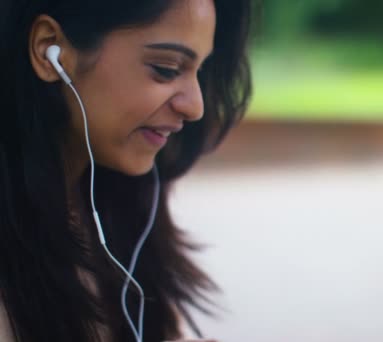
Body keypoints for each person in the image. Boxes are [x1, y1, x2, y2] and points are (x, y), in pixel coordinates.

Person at [0, 0, 252, 340]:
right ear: (49, 50)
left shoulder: (121, 204)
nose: (195, 106)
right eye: (166, 68)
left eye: (200, 71)